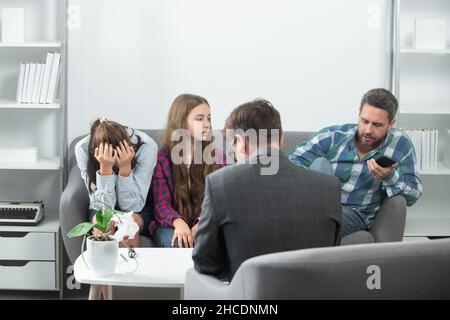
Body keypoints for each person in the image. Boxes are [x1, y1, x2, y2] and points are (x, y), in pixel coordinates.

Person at [192, 99, 341, 281]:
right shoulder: (329, 187)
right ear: (281, 139)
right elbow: (332, 256)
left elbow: (205, 263)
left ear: (241, 142)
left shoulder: (219, 184)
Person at [289, 88, 423, 237]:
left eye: (377, 125)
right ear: (359, 114)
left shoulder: (401, 145)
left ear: (391, 123)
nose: (368, 130)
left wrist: (389, 177)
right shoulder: (334, 136)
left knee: (311, 225)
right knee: (320, 164)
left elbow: (414, 194)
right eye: (364, 121)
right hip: (315, 205)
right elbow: (292, 161)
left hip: (355, 214)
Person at [149, 94, 225, 248]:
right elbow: (161, 205)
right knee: (179, 242)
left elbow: (217, 201)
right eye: (199, 119)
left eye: (208, 118)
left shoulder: (217, 156)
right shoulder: (162, 159)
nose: (207, 124)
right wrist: (179, 223)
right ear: (181, 122)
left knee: (208, 241)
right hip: (170, 224)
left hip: (205, 221)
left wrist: (200, 224)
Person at [75, 118, 158, 247]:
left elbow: (131, 207)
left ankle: (128, 267)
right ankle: (102, 266)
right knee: (103, 222)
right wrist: (105, 170)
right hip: (101, 206)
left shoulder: (147, 146)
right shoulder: (83, 148)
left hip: (137, 207)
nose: (113, 163)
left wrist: (125, 168)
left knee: (128, 224)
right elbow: (104, 207)